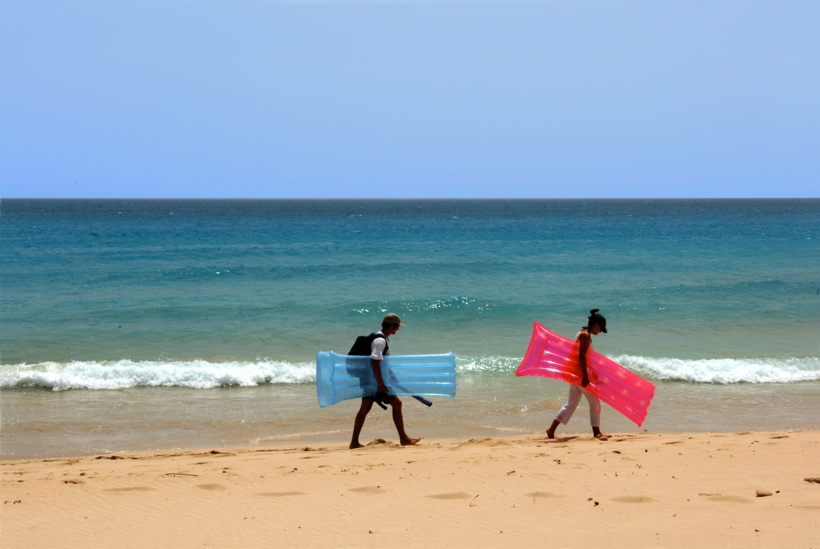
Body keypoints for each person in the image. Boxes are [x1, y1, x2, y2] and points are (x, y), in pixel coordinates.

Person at [350, 313, 420, 449]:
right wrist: (381, 384)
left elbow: (383, 363)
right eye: (397, 327)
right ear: (392, 326)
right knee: (397, 404)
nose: (397, 330)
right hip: (375, 382)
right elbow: (374, 363)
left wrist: (393, 378)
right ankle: (404, 438)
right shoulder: (380, 341)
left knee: (365, 408)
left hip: (372, 380)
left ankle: (354, 442)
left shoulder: (383, 340)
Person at [546, 309, 611, 441]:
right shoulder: (585, 336)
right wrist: (586, 377)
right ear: (596, 324)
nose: (600, 332)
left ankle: (551, 429)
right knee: (595, 402)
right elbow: (581, 356)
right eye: (600, 329)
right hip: (581, 375)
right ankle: (597, 432)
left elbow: (583, 356)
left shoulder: (581, 333)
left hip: (574, 374)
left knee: (570, 405)